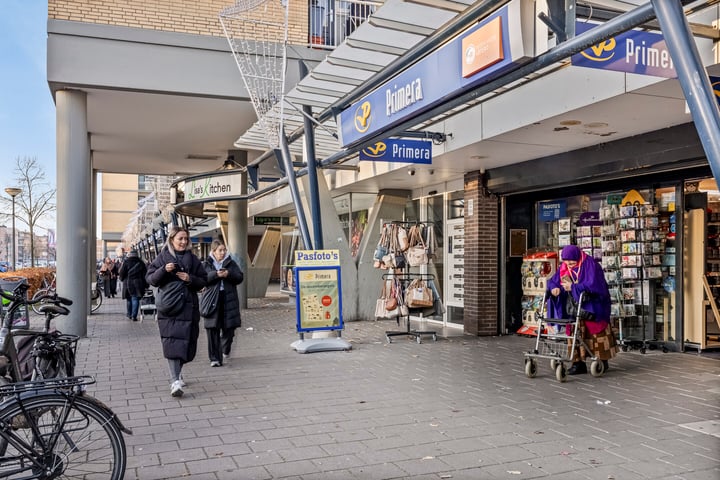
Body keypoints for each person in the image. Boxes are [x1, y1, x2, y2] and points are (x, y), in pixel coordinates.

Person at [146, 226, 207, 397]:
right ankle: (175, 381)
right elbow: (151, 279)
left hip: (188, 308)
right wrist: (163, 270)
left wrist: (190, 279)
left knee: (185, 343)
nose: (183, 242)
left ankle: (178, 374)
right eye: (180, 238)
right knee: (172, 343)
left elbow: (203, 281)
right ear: (172, 239)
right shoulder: (162, 257)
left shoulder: (193, 259)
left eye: (186, 239)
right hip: (169, 308)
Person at [547, 244, 618, 375]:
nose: (569, 264)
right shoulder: (564, 267)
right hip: (573, 307)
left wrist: (573, 287)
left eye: (571, 261)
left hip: (592, 306)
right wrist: (554, 288)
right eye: (566, 261)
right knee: (574, 331)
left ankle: (601, 360)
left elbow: (594, 285)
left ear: (577, 257)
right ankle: (577, 363)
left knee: (596, 333)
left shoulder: (591, 264)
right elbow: (554, 280)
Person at [201, 239, 244, 367]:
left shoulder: (230, 263)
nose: (223, 252)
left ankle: (225, 348)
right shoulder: (206, 264)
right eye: (220, 250)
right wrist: (216, 275)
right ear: (213, 251)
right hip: (212, 300)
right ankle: (215, 358)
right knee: (212, 328)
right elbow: (202, 279)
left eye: (224, 250)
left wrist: (228, 274)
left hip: (228, 298)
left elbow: (239, 277)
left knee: (230, 328)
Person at [118, 250, 147, 321]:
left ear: (130, 255)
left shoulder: (126, 262)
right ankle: (134, 316)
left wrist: (121, 279)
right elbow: (145, 275)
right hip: (138, 283)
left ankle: (129, 314)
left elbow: (121, 273)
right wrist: (146, 285)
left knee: (129, 299)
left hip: (128, 283)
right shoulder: (141, 262)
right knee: (135, 298)